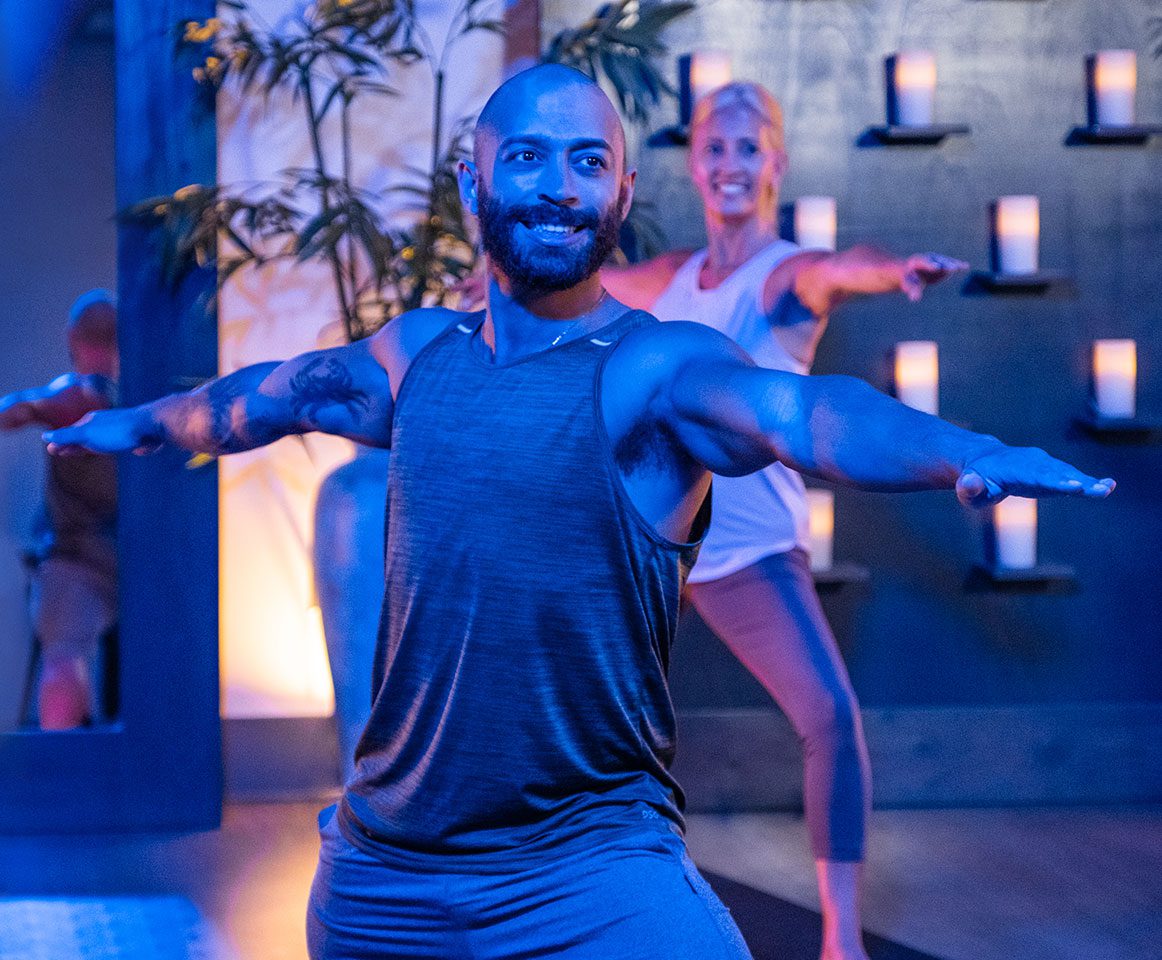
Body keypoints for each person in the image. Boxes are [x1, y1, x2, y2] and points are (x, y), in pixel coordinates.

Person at [46, 66, 1113, 959]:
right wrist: (137, 420)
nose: (559, 188)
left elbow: (808, 413)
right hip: (382, 882)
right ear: (473, 184)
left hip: (590, 881)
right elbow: (265, 398)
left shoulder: (657, 367)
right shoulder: (417, 357)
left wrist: (961, 451)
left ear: (619, 192)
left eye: (587, 163)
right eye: (527, 158)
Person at [600, 81, 965, 959]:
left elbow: (840, 268)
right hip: (652, 544)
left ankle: (843, 936)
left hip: (746, 550)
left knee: (828, 715)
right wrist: (487, 280)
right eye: (715, 147)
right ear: (693, 162)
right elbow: (588, 283)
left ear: (777, 163)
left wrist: (894, 270)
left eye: (748, 147)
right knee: (586, 710)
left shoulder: (782, 277)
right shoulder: (674, 277)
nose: (731, 164)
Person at [0, 289, 118, 729]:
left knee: (63, 655)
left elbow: (29, 407)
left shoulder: (82, 395)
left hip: (80, 564)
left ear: (72, 337)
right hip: (111, 566)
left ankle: (62, 768)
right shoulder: (128, 399)